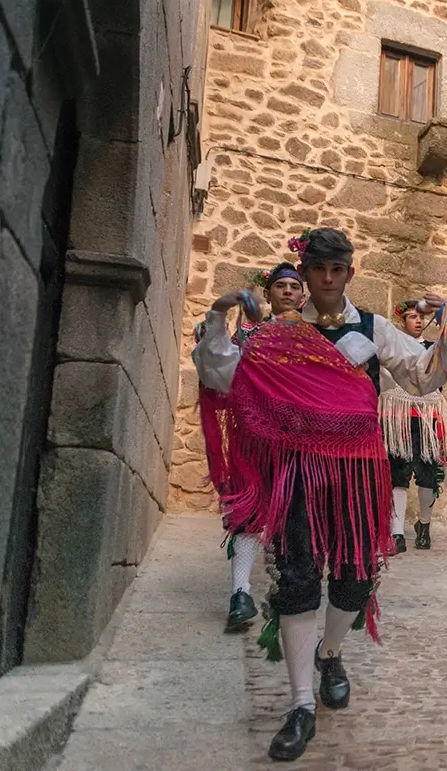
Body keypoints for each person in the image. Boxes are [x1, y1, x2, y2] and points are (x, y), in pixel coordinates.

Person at [193, 227, 447, 761]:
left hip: (358, 469)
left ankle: (329, 653)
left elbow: (424, 378)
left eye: (338, 269)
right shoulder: (275, 333)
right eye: (319, 269)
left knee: (356, 580)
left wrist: (445, 328)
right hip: (297, 468)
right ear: (305, 272)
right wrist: (220, 314)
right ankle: (301, 705)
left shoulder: (374, 328)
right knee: (298, 577)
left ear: (350, 273)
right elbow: (221, 374)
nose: (328, 279)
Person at [195, 262, 305, 633]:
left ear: (302, 296)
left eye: (294, 286)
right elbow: (216, 364)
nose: (287, 291)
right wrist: (221, 307)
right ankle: (240, 594)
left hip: (299, 440)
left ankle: (291, 591)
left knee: (296, 516)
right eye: (281, 285)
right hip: (254, 439)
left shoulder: (316, 339)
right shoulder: (248, 336)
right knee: (247, 514)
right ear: (269, 293)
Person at [381, 300, 447, 553]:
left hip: (428, 420)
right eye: (412, 317)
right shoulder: (392, 348)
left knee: (427, 476)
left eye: (421, 317)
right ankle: (397, 532)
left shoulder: (437, 350)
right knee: (398, 476)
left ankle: (424, 525)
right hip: (398, 420)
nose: (418, 321)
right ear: (402, 320)